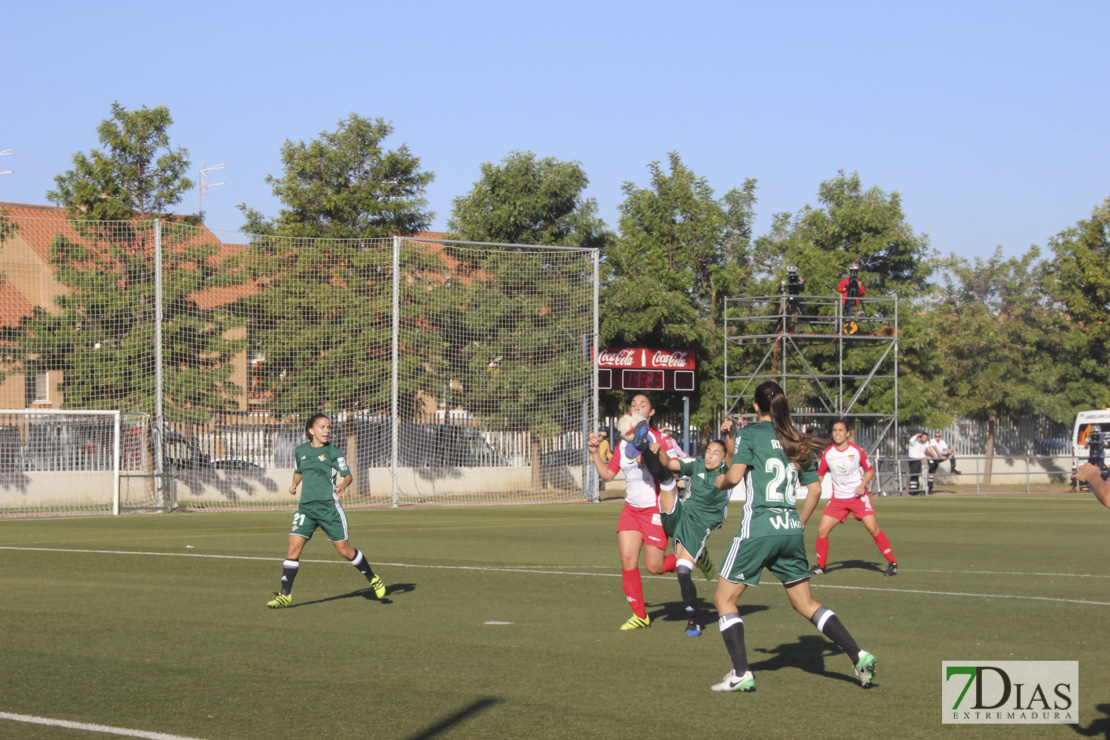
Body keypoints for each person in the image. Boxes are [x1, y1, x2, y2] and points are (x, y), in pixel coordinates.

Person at [708, 381, 876, 693]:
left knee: (724, 598)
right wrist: (798, 522)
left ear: (756, 407)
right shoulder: (795, 439)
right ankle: (858, 654)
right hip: (789, 530)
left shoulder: (751, 433)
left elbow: (733, 476)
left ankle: (741, 673)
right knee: (805, 602)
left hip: (759, 528)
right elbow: (814, 489)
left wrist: (719, 483)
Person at [266, 414, 386, 608]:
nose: (327, 430)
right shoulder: (301, 451)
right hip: (306, 508)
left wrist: (343, 485)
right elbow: (299, 471)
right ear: (311, 431)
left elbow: (347, 475)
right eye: (322, 427)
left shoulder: (334, 452)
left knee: (345, 551)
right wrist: (294, 484)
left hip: (329, 508)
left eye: (328, 427)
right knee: (292, 548)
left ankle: (373, 578)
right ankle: (285, 595)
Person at [587, 393, 679, 630]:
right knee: (628, 560)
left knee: (654, 567)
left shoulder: (659, 438)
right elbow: (608, 474)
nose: (636, 407)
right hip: (631, 510)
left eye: (643, 405)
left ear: (650, 413)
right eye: (633, 405)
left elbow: (674, 472)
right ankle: (640, 615)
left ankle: (689, 557)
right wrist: (594, 453)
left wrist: (654, 454)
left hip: (655, 510)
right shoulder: (622, 444)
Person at [651, 421, 736, 636]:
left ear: (723, 457)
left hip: (698, 526)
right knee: (667, 476)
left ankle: (693, 619)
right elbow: (670, 462)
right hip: (681, 513)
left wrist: (729, 434)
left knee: (682, 572)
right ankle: (644, 447)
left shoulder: (727, 469)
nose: (710, 456)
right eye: (708, 451)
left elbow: (733, 454)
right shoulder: (697, 463)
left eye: (716, 453)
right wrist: (659, 450)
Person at [810, 418, 897, 577]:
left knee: (872, 528)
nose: (837, 433)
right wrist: (814, 488)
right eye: (835, 430)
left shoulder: (856, 451)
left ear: (847, 433)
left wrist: (862, 484)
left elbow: (870, 471)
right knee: (822, 530)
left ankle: (892, 562)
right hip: (838, 499)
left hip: (858, 497)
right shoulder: (828, 454)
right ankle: (821, 566)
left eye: (841, 430)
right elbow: (821, 474)